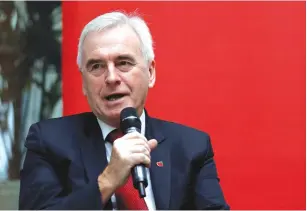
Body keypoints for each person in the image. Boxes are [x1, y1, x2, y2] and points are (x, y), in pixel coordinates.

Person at [18, 11, 230, 210]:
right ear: (84, 83)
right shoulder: (48, 141)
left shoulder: (191, 147)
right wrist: (108, 180)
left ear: (150, 72)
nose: (111, 78)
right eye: (97, 66)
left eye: (123, 63)